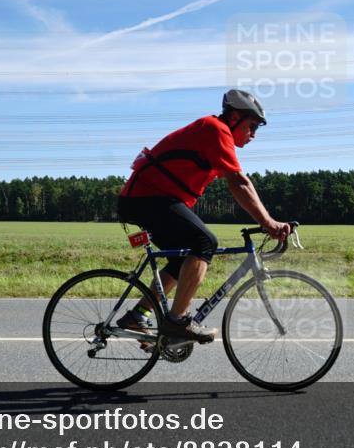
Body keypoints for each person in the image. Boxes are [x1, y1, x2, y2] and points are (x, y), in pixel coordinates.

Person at [116, 89, 290, 343]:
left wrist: (266, 220)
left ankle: (137, 316)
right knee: (205, 242)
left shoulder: (216, 134)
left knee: (183, 258)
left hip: (149, 198)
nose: (253, 134)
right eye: (251, 126)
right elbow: (239, 183)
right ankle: (177, 322)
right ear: (234, 117)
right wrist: (268, 222)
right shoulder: (215, 129)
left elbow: (240, 183)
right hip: (147, 198)